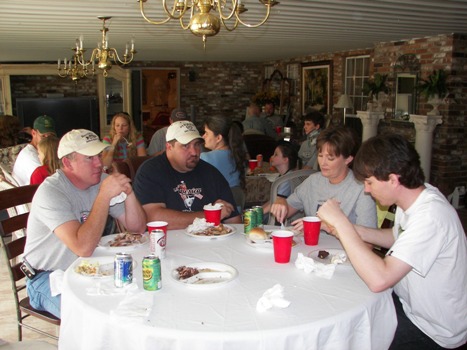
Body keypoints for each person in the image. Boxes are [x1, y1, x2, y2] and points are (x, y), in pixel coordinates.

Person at [317, 134, 467, 349]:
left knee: (350, 339)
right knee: (342, 308)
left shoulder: (431, 216)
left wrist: (341, 223)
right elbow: (398, 237)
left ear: (394, 179)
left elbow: (380, 279)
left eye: (369, 182)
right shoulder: (415, 197)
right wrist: (348, 229)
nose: (367, 189)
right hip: (408, 306)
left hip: (434, 330)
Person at [23, 129, 146, 318]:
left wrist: (128, 193)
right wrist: (104, 196)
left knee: (139, 296)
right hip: (46, 277)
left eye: (98, 155)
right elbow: (83, 247)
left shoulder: (100, 181)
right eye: (89, 158)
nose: (99, 163)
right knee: (92, 316)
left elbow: (137, 228)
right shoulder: (52, 192)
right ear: (67, 162)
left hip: (89, 268)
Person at [133, 121, 242, 230]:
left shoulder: (211, 173)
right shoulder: (151, 172)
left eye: (197, 145)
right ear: (169, 147)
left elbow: (234, 222)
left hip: (207, 244)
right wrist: (211, 216)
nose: (194, 152)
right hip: (168, 244)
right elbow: (154, 219)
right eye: (186, 145)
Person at [270, 126, 376, 230]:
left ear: (348, 159)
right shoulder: (313, 181)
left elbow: (368, 241)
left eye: (330, 158)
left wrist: (330, 226)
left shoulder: (362, 189)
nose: (323, 163)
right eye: (320, 156)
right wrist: (281, 202)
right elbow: (287, 209)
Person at [201, 115, 247, 211]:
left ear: (218, 138)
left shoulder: (205, 158)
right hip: (236, 212)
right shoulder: (238, 156)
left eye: (206, 133)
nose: (203, 136)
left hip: (217, 213)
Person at [12, 115, 56, 186]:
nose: (47, 140)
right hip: (23, 194)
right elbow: (48, 180)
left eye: (51, 136)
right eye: (43, 136)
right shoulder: (30, 155)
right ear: (33, 133)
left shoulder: (47, 151)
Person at [262, 141, 298, 221]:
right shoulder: (283, 176)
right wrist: (259, 209)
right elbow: (273, 199)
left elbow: (276, 201)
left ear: (285, 159)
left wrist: (257, 213)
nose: (272, 157)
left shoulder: (287, 179)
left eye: (276, 154)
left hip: (283, 217)